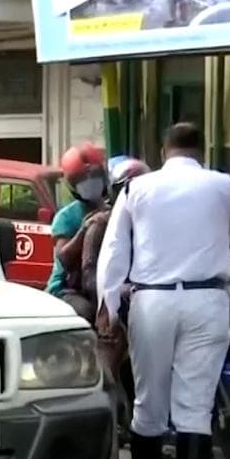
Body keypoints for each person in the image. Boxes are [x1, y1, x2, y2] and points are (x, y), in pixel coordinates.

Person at [96, 122, 230, 459]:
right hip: (207, 301)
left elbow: (115, 250)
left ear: (163, 149)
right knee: (195, 407)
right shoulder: (222, 185)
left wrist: (109, 306)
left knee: (150, 400)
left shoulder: (137, 189)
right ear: (200, 150)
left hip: (153, 301)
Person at [78, 158, 152, 374]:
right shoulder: (100, 225)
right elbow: (90, 278)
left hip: (147, 303)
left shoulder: (155, 226)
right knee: (111, 343)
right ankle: (108, 391)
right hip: (109, 303)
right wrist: (124, 291)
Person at [46, 143, 111, 321]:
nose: (90, 183)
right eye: (82, 180)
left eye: (95, 175)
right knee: (87, 313)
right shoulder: (66, 217)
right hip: (68, 289)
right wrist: (84, 230)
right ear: (72, 185)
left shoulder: (113, 210)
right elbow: (63, 257)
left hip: (101, 284)